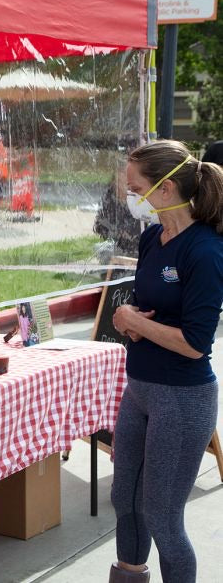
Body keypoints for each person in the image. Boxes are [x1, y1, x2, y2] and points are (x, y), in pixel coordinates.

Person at [110, 140, 223, 583]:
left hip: (182, 398)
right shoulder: (151, 239)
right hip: (139, 389)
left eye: (135, 187)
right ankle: (129, 574)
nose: (129, 194)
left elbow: (195, 343)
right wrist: (131, 320)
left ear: (165, 188)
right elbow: (146, 310)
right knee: (126, 499)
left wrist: (128, 319)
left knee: (162, 515)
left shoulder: (206, 251)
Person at [93, 160, 142, 258]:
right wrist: (117, 233)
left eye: (125, 175)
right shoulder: (110, 199)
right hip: (119, 249)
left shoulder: (140, 200)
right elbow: (99, 226)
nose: (121, 180)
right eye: (119, 176)